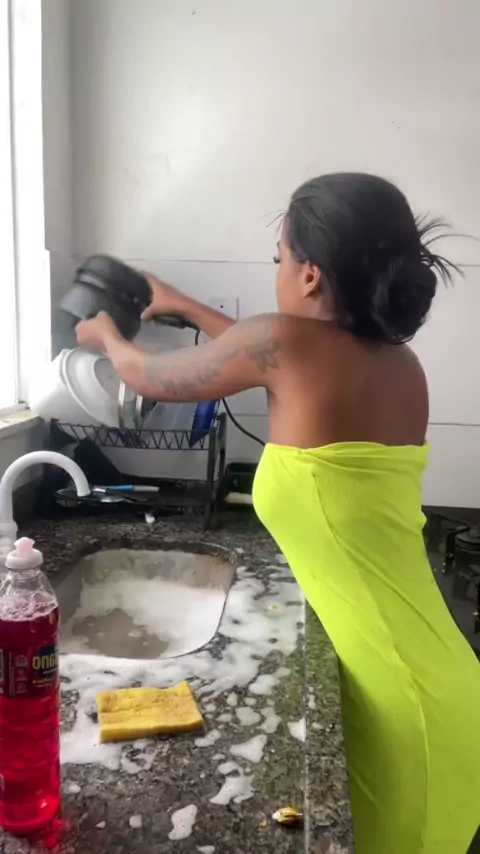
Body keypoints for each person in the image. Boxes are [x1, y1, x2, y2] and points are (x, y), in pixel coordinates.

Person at [76, 172, 480, 854]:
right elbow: (259, 352)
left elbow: (151, 376)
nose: (279, 272)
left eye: (280, 258)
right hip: (439, 677)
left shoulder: (287, 347)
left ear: (311, 274)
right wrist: (184, 305)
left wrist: (106, 336)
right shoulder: (399, 365)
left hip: (400, 701)